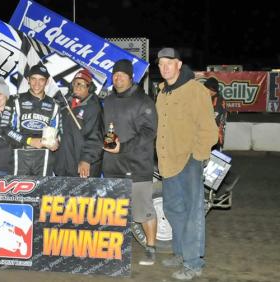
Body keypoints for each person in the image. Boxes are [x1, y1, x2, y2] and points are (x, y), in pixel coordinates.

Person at [156, 47, 218, 280]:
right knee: (173, 209)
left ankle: (193, 263)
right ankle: (181, 253)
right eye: (161, 63)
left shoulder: (195, 91)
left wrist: (197, 156)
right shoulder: (162, 92)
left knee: (193, 213)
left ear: (179, 65)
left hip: (190, 160)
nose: (164, 67)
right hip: (168, 161)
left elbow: (209, 130)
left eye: (169, 62)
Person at [102, 59, 158, 266]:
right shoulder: (108, 101)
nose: (118, 78)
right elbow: (104, 129)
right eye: (115, 74)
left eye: (122, 75)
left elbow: (148, 133)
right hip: (111, 167)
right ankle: (116, 250)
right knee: (115, 213)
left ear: (131, 77)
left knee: (143, 211)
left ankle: (151, 247)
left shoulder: (143, 101)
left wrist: (123, 147)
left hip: (136, 167)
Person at [1, 63, 61, 176]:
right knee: (19, 192)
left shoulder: (55, 105)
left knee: (42, 192)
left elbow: (58, 131)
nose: (37, 84)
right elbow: (5, 129)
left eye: (41, 80)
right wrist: (29, 141)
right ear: (28, 79)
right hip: (20, 153)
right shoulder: (14, 100)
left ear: (47, 82)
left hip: (44, 156)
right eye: (33, 79)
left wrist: (57, 142)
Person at [54, 69, 103, 178]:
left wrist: (86, 160)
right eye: (75, 83)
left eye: (82, 84)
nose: (77, 86)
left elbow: (96, 137)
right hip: (63, 167)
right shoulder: (64, 105)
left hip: (82, 169)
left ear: (89, 88)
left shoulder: (94, 107)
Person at [204, 77, 227, 151]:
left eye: (206, 88)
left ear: (211, 89)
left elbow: (214, 118)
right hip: (208, 137)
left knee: (213, 161)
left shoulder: (218, 100)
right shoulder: (210, 98)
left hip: (215, 138)